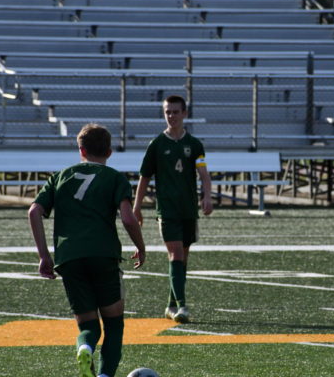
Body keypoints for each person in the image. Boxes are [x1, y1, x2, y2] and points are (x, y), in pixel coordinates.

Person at [28, 123, 146, 377]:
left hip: (68, 257)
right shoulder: (115, 177)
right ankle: (104, 375)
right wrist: (140, 246)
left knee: (89, 325)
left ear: (80, 149)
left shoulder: (60, 176)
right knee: (114, 325)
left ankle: (84, 347)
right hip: (103, 255)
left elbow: (34, 211)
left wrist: (43, 255)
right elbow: (127, 219)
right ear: (110, 152)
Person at [133, 94, 213, 324]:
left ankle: (170, 306)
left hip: (188, 210)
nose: (171, 116)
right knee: (176, 254)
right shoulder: (157, 145)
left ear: (184, 113)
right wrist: (137, 207)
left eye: (176, 111)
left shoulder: (194, 145)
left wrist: (207, 197)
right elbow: (144, 177)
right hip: (166, 211)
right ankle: (183, 307)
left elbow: (204, 175)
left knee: (182, 260)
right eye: (168, 111)